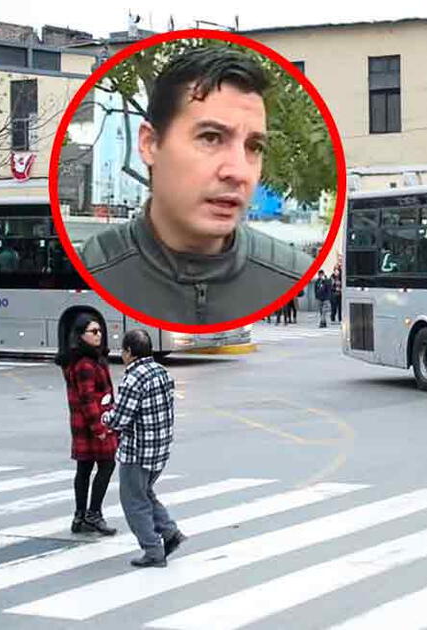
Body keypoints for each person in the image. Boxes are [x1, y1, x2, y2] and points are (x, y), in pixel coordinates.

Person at [78, 46, 311, 325]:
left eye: (254, 146)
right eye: (211, 138)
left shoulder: (289, 273)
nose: (238, 171)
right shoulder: (93, 269)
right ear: (149, 144)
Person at [102, 330, 185, 568]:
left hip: (137, 451)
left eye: (123, 350)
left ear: (129, 352)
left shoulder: (133, 378)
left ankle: (153, 550)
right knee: (145, 493)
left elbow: (121, 419)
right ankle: (170, 533)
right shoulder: (162, 372)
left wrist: (105, 417)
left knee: (133, 501)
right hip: (159, 449)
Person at [54, 313, 119, 536]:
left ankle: (80, 516)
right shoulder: (85, 364)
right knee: (106, 465)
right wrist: (99, 428)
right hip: (93, 424)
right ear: (81, 336)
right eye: (93, 332)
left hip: (84, 424)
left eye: (100, 330)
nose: (99, 335)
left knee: (84, 468)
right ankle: (93, 514)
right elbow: (87, 398)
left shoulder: (87, 359)